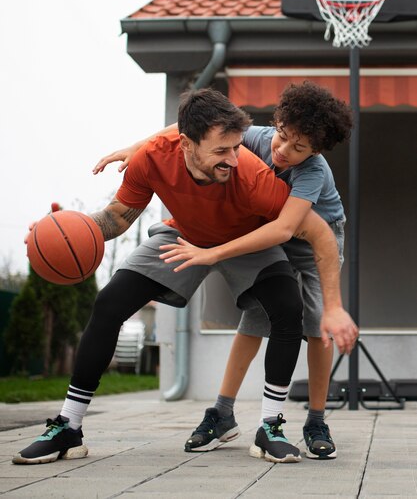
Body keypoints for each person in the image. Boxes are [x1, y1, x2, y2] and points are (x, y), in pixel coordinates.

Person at [14, 88, 356, 466]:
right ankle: (69, 425)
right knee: (110, 301)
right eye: (222, 151)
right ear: (187, 146)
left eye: (235, 148)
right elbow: (115, 218)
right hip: (190, 233)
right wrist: (62, 230)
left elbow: (310, 231)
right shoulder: (157, 157)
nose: (234, 158)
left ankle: (283, 424)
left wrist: (335, 307)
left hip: (257, 237)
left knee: (297, 315)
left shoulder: (257, 172)